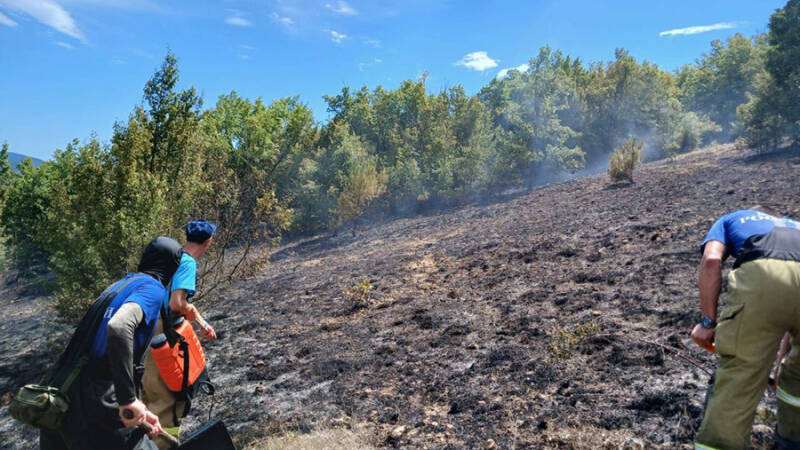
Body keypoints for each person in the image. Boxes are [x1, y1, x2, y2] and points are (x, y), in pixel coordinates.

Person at [41, 236, 183, 450]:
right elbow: (119, 327)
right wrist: (128, 400)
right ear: (172, 268)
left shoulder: (118, 285)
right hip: (96, 399)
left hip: (60, 394)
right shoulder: (152, 288)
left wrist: (139, 408)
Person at [692, 206, 800, 450]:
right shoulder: (795, 226)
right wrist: (781, 360)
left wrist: (707, 323)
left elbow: (711, 261)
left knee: (739, 377)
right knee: (797, 379)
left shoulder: (731, 218)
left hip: (763, 273)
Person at [142, 219, 217, 449]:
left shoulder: (171, 258)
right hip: (163, 334)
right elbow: (177, 303)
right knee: (169, 399)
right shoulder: (188, 263)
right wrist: (193, 313)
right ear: (208, 241)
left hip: (145, 331)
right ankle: (163, 446)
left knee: (147, 396)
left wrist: (202, 322)